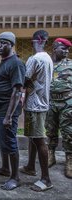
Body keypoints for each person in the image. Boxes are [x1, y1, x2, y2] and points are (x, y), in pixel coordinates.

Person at [0, 32, 25, 190]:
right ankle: (5, 169)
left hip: (7, 112)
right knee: (2, 141)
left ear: (11, 45)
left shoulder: (16, 63)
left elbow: (17, 91)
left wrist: (9, 116)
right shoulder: (4, 61)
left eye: (3, 43)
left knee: (10, 143)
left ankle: (15, 177)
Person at [19, 30, 53, 191]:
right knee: (34, 137)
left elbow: (24, 79)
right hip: (43, 102)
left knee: (39, 139)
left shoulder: (34, 59)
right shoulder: (48, 58)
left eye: (32, 41)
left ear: (36, 41)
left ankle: (46, 179)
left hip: (35, 104)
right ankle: (31, 166)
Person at [45, 38, 72, 179]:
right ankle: (51, 155)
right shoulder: (47, 64)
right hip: (50, 102)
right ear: (54, 48)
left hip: (67, 102)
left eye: (67, 49)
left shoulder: (70, 64)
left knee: (69, 132)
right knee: (50, 130)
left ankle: (69, 160)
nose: (66, 51)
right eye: (63, 48)